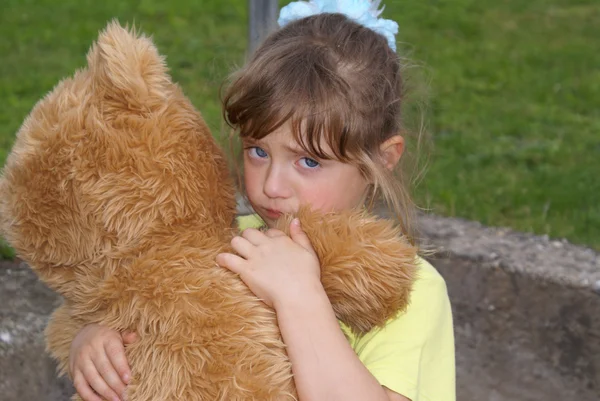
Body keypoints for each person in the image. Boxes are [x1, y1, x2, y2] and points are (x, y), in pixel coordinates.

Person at [68, 1, 455, 400]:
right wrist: (92, 341)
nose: (272, 185)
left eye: (308, 161)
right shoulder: (226, 241)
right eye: (258, 151)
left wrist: (299, 296)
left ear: (384, 158)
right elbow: (150, 317)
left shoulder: (410, 293)